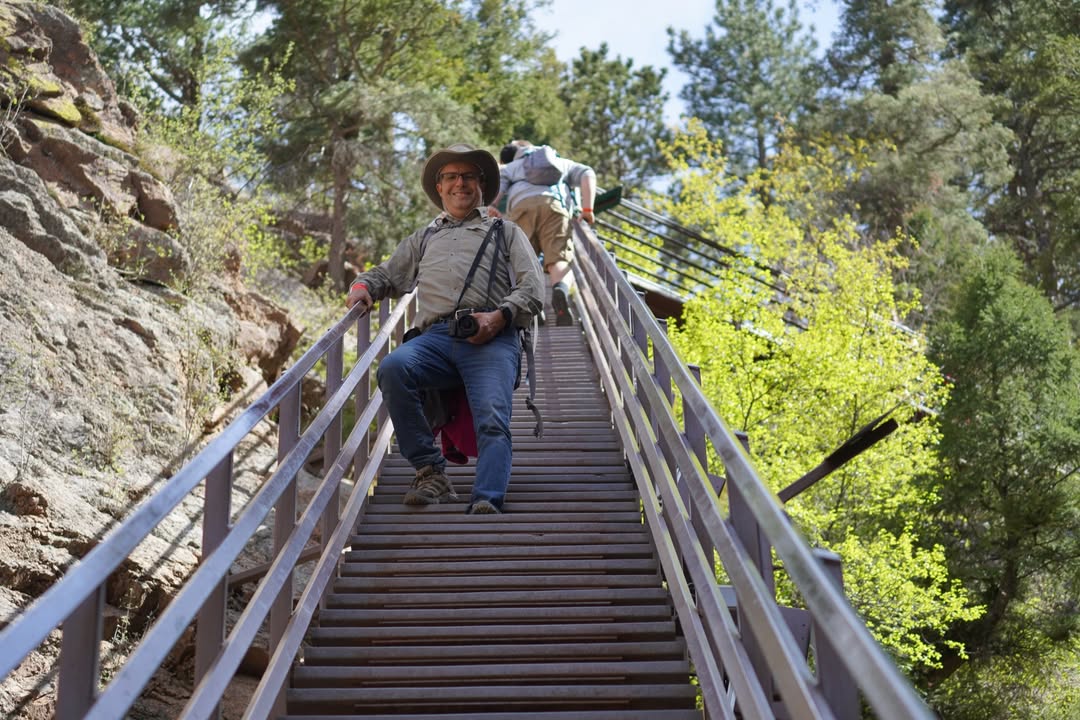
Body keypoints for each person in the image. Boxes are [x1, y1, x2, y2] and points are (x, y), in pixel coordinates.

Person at [346, 144, 544, 514]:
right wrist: (362, 288)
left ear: (481, 184)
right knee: (393, 367)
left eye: (468, 176)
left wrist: (499, 317)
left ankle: (487, 498)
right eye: (450, 177)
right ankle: (429, 470)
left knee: (492, 416)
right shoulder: (424, 237)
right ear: (439, 187)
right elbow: (387, 274)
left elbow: (533, 288)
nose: (460, 184)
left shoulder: (505, 231)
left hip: (493, 337)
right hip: (436, 339)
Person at [489, 140, 596, 326]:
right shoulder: (559, 161)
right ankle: (560, 289)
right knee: (559, 259)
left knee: (523, 262)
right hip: (554, 206)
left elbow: (498, 184)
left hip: (521, 207)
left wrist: (491, 206)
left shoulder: (513, 166)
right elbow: (588, 173)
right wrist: (587, 209)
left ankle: (532, 304)